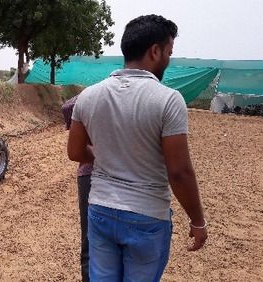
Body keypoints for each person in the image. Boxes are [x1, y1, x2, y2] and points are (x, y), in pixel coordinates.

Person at [67, 15, 208, 281]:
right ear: (155, 51)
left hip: (100, 210)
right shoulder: (168, 100)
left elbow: (75, 153)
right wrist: (198, 220)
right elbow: (178, 172)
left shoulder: (88, 96)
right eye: (168, 52)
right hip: (147, 217)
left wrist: (103, 156)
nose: (169, 58)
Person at [62, 95, 92, 282]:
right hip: (125, 175)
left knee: (89, 241)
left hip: (89, 172)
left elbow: (68, 106)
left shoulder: (93, 95)